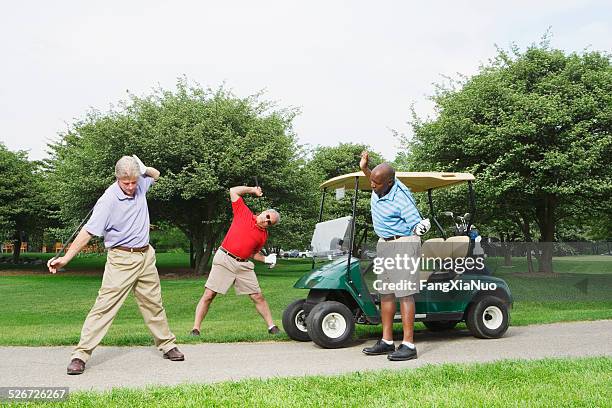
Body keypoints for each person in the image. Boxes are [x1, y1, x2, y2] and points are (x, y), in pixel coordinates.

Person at [48, 155, 184, 375]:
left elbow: (156, 175)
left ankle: (167, 345)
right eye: (126, 183)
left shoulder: (140, 183)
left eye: (133, 181)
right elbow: (88, 232)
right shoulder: (108, 200)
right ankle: (80, 355)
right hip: (121, 259)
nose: (131, 187)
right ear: (117, 178)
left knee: (153, 304)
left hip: (146, 256)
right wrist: (66, 258)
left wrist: (144, 168)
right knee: (104, 307)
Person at [359, 151, 430, 361]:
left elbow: (416, 226)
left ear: (389, 182)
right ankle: (387, 341)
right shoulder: (379, 184)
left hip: (404, 242)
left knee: (405, 294)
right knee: (386, 293)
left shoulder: (402, 198)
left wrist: (421, 227)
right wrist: (365, 167)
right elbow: (372, 177)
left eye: (376, 183)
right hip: (385, 243)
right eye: (371, 181)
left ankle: (408, 345)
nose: (372, 185)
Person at [190, 185, 280, 336]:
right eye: (268, 216)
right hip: (224, 258)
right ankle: (196, 329)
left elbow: (253, 253)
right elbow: (233, 191)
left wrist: (266, 259)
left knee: (257, 296)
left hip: (243, 265)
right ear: (264, 212)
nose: (266, 220)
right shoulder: (243, 212)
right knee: (209, 294)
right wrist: (252, 190)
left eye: (270, 222)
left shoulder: (263, 236)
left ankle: (272, 327)